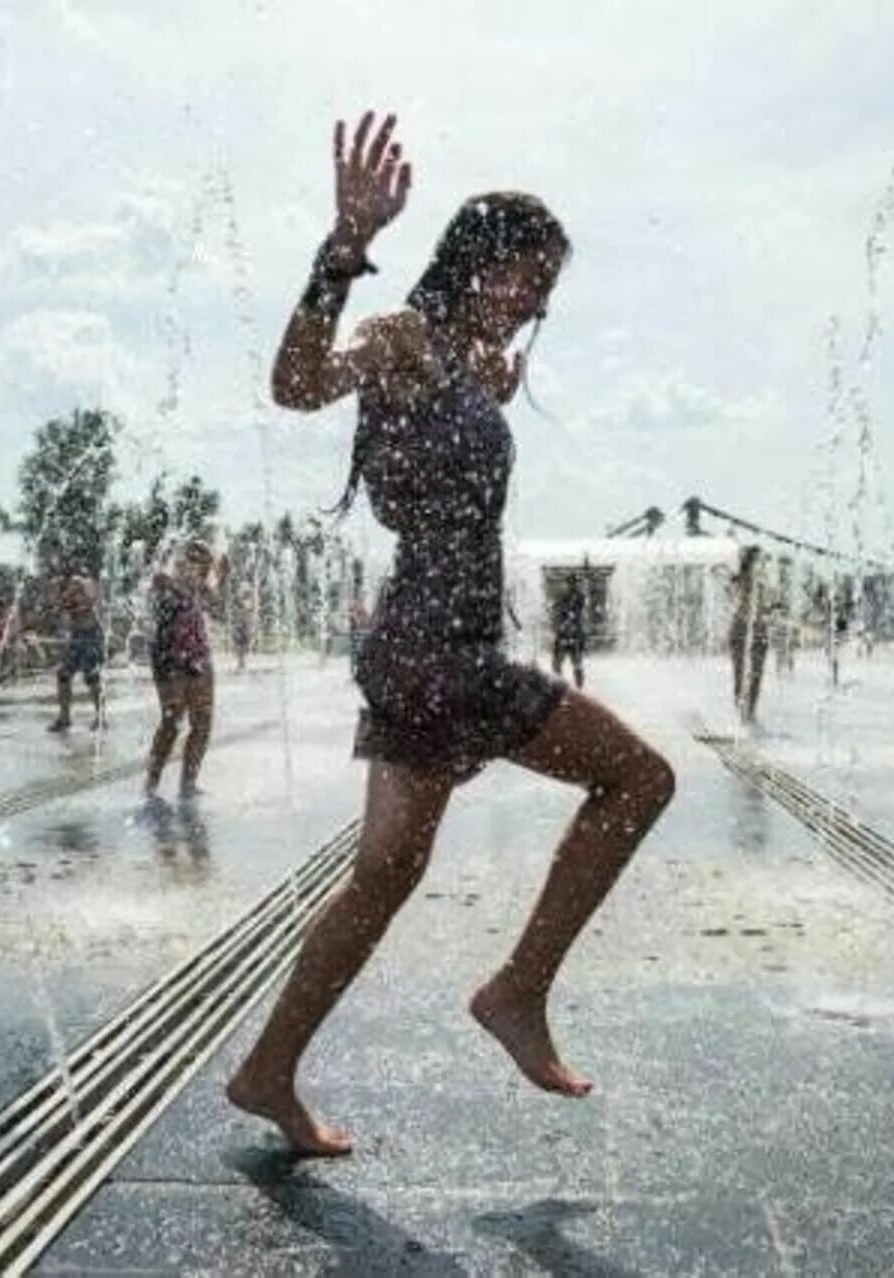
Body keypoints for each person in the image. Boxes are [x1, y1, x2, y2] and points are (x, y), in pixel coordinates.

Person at [225, 113, 676, 1156]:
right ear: (473, 263)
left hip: (413, 649)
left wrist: (487, 373)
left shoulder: (467, 362)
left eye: (546, 287)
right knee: (640, 780)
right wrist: (343, 251)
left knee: (383, 874)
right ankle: (519, 990)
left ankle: (266, 1071)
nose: (536, 301)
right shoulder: (402, 341)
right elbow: (295, 387)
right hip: (442, 653)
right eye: (524, 276)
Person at [144, 540, 220, 799]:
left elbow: (216, 598)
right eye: (189, 561)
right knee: (171, 719)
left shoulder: (201, 588)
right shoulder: (164, 583)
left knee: (203, 722)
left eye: (201, 564)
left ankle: (188, 783)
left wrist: (218, 568)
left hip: (199, 656)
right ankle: (151, 781)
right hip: (170, 658)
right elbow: (158, 589)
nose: (194, 568)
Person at [49, 567, 106, 732]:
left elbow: (93, 600)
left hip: (91, 634)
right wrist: (63, 596)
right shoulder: (60, 586)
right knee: (63, 674)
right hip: (76, 635)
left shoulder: (84, 582)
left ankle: (100, 717)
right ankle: (64, 717)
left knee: (92, 676)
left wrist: (74, 591)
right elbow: (55, 606)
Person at [728, 546, 773, 723]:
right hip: (741, 629)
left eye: (762, 560)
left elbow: (767, 607)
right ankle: (741, 713)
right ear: (750, 562)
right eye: (758, 560)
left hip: (759, 630)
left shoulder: (763, 582)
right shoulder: (739, 580)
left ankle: (751, 712)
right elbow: (734, 599)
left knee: (756, 674)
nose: (762, 564)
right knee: (740, 674)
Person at [550, 573, 588, 689]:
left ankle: (574, 687)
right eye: (571, 583)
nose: (572, 585)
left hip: (571, 634)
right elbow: (559, 611)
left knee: (574, 663)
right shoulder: (567, 597)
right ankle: (563, 686)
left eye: (574, 583)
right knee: (562, 663)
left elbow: (573, 612)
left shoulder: (578, 597)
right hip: (567, 634)